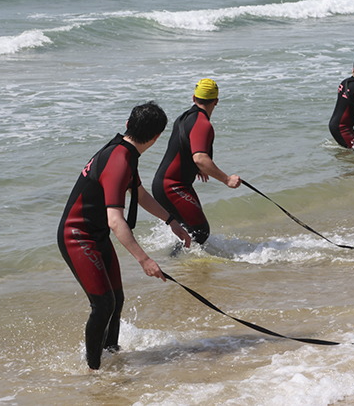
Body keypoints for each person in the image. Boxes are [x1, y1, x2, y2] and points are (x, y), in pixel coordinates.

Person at [57, 101, 191, 371]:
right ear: (156, 138)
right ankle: (93, 372)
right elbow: (115, 220)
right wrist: (145, 260)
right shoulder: (119, 158)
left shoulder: (125, 151)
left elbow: (139, 194)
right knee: (103, 304)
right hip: (78, 237)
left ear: (129, 124)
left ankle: (112, 358)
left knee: (116, 300)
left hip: (96, 236)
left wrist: (171, 221)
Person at [152, 79, 241, 244]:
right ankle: (182, 265)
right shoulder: (202, 123)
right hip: (172, 187)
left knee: (190, 232)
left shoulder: (184, 117)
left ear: (194, 98)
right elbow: (199, 158)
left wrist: (197, 168)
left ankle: (182, 267)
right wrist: (227, 179)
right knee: (200, 232)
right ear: (216, 101)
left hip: (165, 184)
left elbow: (183, 145)